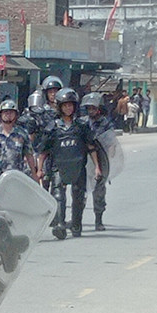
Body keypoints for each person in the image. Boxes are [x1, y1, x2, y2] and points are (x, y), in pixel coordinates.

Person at [40, 88, 108, 237]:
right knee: (58, 195)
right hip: (58, 166)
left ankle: (76, 224)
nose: (68, 108)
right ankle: (60, 224)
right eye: (65, 105)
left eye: (70, 105)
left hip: (78, 166)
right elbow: (43, 151)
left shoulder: (81, 126)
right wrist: (40, 170)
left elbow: (91, 147)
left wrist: (97, 167)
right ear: (60, 107)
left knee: (78, 195)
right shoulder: (53, 127)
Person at [0, 99, 37, 181]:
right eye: (5, 112)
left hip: (16, 176)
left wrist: (34, 174)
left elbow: (29, 155)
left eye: (11, 112)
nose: (8, 114)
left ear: (16, 115)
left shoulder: (22, 134)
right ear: (0, 114)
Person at [83, 94, 118, 222]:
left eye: (93, 108)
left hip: (101, 157)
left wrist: (110, 156)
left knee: (99, 190)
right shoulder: (83, 122)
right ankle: (77, 219)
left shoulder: (105, 123)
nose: (91, 111)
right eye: (89, 108)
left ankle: (99, 218)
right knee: (81, 190)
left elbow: (111, 141)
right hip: (85, 158)